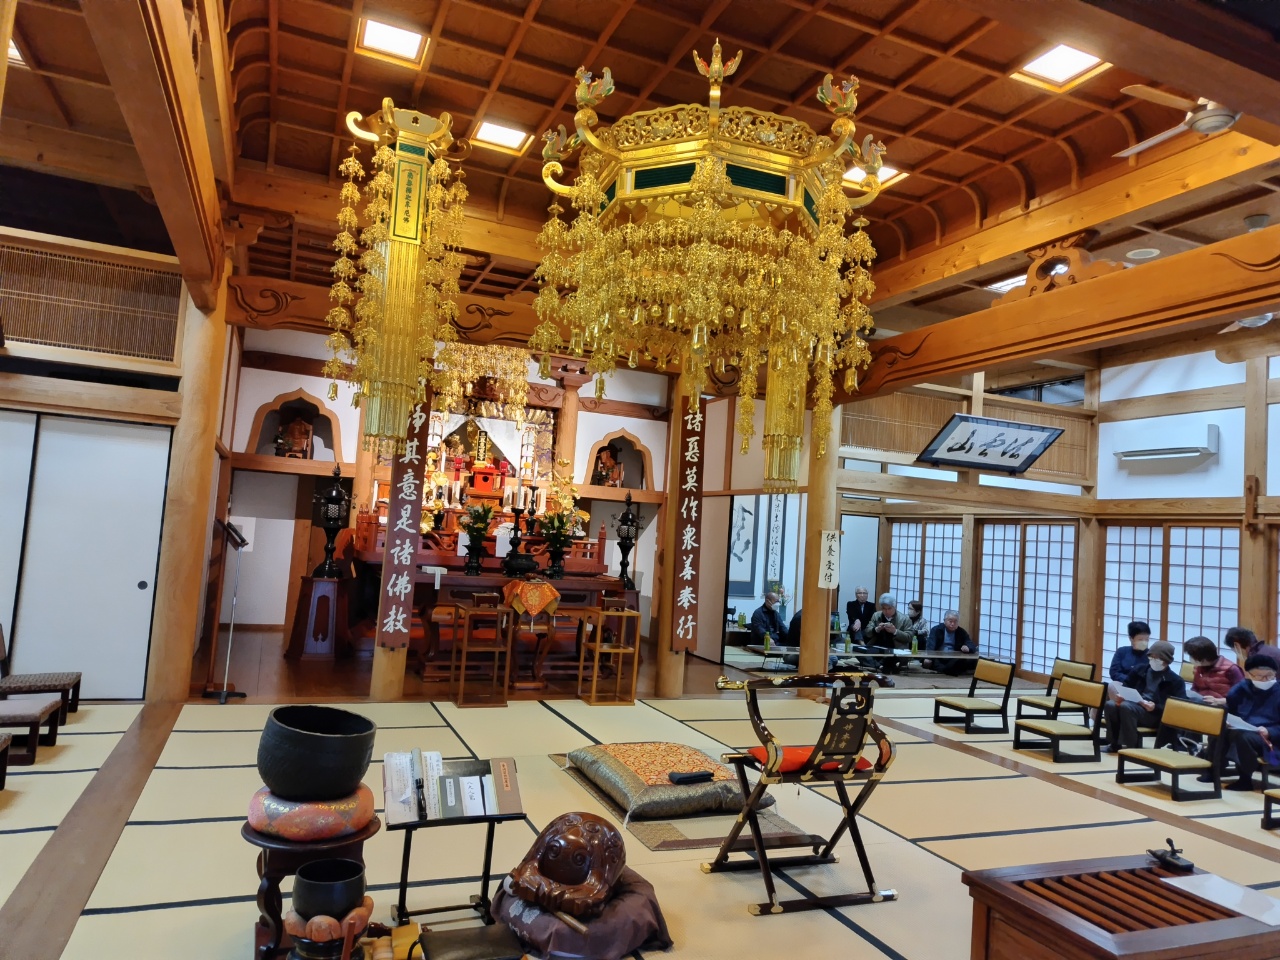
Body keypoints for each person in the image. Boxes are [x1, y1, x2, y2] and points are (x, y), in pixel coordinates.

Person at [1103, 640, 1186, 753]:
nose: (1153, 660)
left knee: (1126, 707)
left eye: (1157, 658)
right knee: (1110, 705)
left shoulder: (1175, 681)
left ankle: (1131, 747)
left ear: (1167, 661)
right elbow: (1126, 685)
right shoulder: (1140, 670)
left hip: (1155, 715)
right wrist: (1121, 695)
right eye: (1151, 657)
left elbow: (1179, 707)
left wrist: (1155, 707)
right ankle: (1114, 744)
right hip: (1135, 705)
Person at [1221, 655, 1280, 791]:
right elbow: (1231, 710)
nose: (1265, 680)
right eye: (1259, 676)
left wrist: (1269, 731)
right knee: (1220, 729)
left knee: (1242, 737)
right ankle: (1215, 769)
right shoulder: (1240, 690)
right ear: (1249, 675)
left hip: (1270, 737)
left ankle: (1245, 779)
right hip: (1244, 729)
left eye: (1269, 676)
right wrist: (1228, 721)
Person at [1183, 636, 1244, 706]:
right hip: (1202, 704)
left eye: (1191, 656)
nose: (1190, 658)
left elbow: (1243, 696)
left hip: (1224, 706)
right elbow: (1195, 688)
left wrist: (1219, 701)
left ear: (1203, 659)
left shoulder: (1232, 669)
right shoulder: (1198, 667)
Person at [862, 593, 912, 672]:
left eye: (889, 608)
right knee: (859, 653)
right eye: (884, 608)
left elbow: (909, 637)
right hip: (877, 647)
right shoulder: (876, 615)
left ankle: (878, 665)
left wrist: (895, 631)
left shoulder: (905, 619)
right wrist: (876, 629)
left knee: (890, 658)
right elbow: (867, 632)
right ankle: (880, 666)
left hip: (895, 649)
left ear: (895, 607)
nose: (887, 611)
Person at [924, 610, 976, 676]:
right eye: (950, 621)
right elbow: (930, 645)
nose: (952, 624)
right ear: (944, 621)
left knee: (971, 661)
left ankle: (947, 670)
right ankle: (949, 670)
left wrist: (968, 648)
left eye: (955, 622)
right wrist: (928, 657)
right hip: (939, 657)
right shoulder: (936, 630)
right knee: (932, 662)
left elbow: (971, 644)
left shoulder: (961, 632)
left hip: (953, 658)